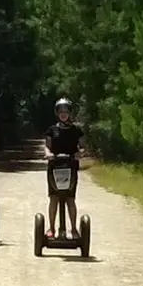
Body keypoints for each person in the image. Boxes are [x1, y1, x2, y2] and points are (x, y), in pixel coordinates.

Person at [44, 97, 84, 238]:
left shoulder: (76, 130)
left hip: (70, 167)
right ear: (57, 113)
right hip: (54, 167)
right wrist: (48, 154)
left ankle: (73, 229)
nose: (63, 114)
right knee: (54, 198)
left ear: (69, 113)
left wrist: (79, 154)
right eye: (61, 111)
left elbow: (81, 147)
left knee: (70, 199)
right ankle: (52, 229)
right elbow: (47, 147)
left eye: (66, 111)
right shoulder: (52, 130)